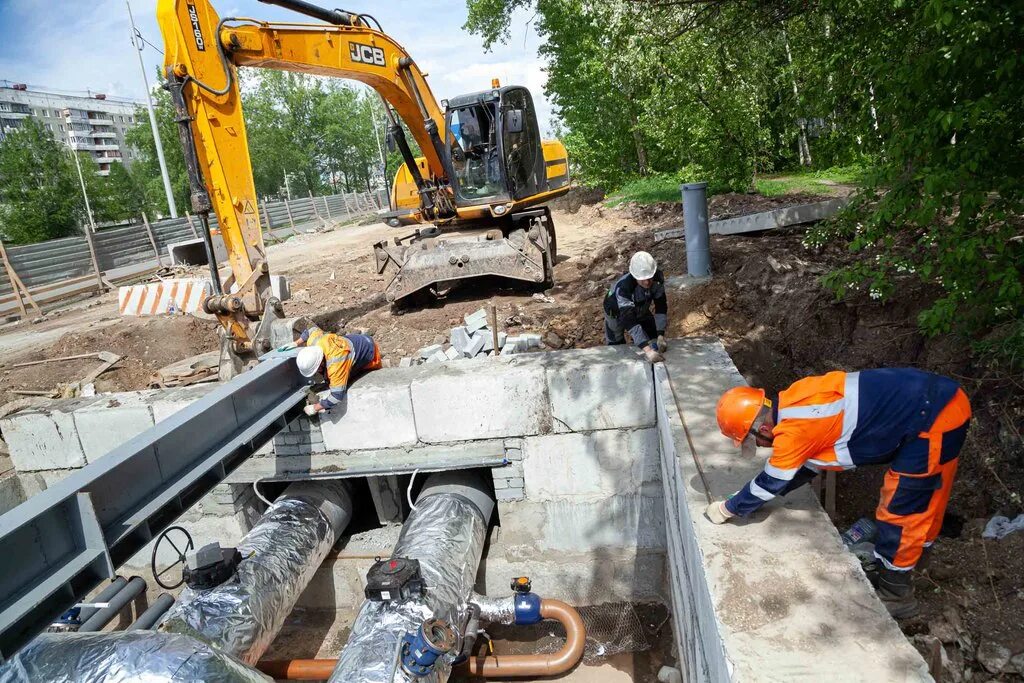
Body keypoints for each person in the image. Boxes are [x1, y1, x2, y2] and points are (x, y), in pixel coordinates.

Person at [707, 368, 971, 618]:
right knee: (929, 495)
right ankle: (916, 562)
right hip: (943, 402)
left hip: (931, 418)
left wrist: (729, 508)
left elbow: (772, 480)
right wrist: (752, 499)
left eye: (756, 442)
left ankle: (896, 592)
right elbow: (803, 468)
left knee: (903, 506)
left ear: (763, 429)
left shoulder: (794, 432)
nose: (763, 447)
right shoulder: (796, 400)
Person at [294, 325, 383, 416]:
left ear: (320, 362)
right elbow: (311, 330)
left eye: (316, 369)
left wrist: (315, 408)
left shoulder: (336, 365)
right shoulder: (315, 343)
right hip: (354, 341)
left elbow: (337, 397)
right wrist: (296, 343)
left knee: (352, 377)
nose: (316, 372)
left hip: (369, 350)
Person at [603, 251, 668, 362]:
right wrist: (648, 351)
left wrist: (660, 334)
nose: (647, 282)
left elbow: (661, 306)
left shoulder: (657, 279)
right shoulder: (624, 288)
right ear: (634, 275)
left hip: (640, 305)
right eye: (643, 279)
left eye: (650, 277)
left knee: (652, 334)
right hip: (616, 312)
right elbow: (629, 319)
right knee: (616, 343)